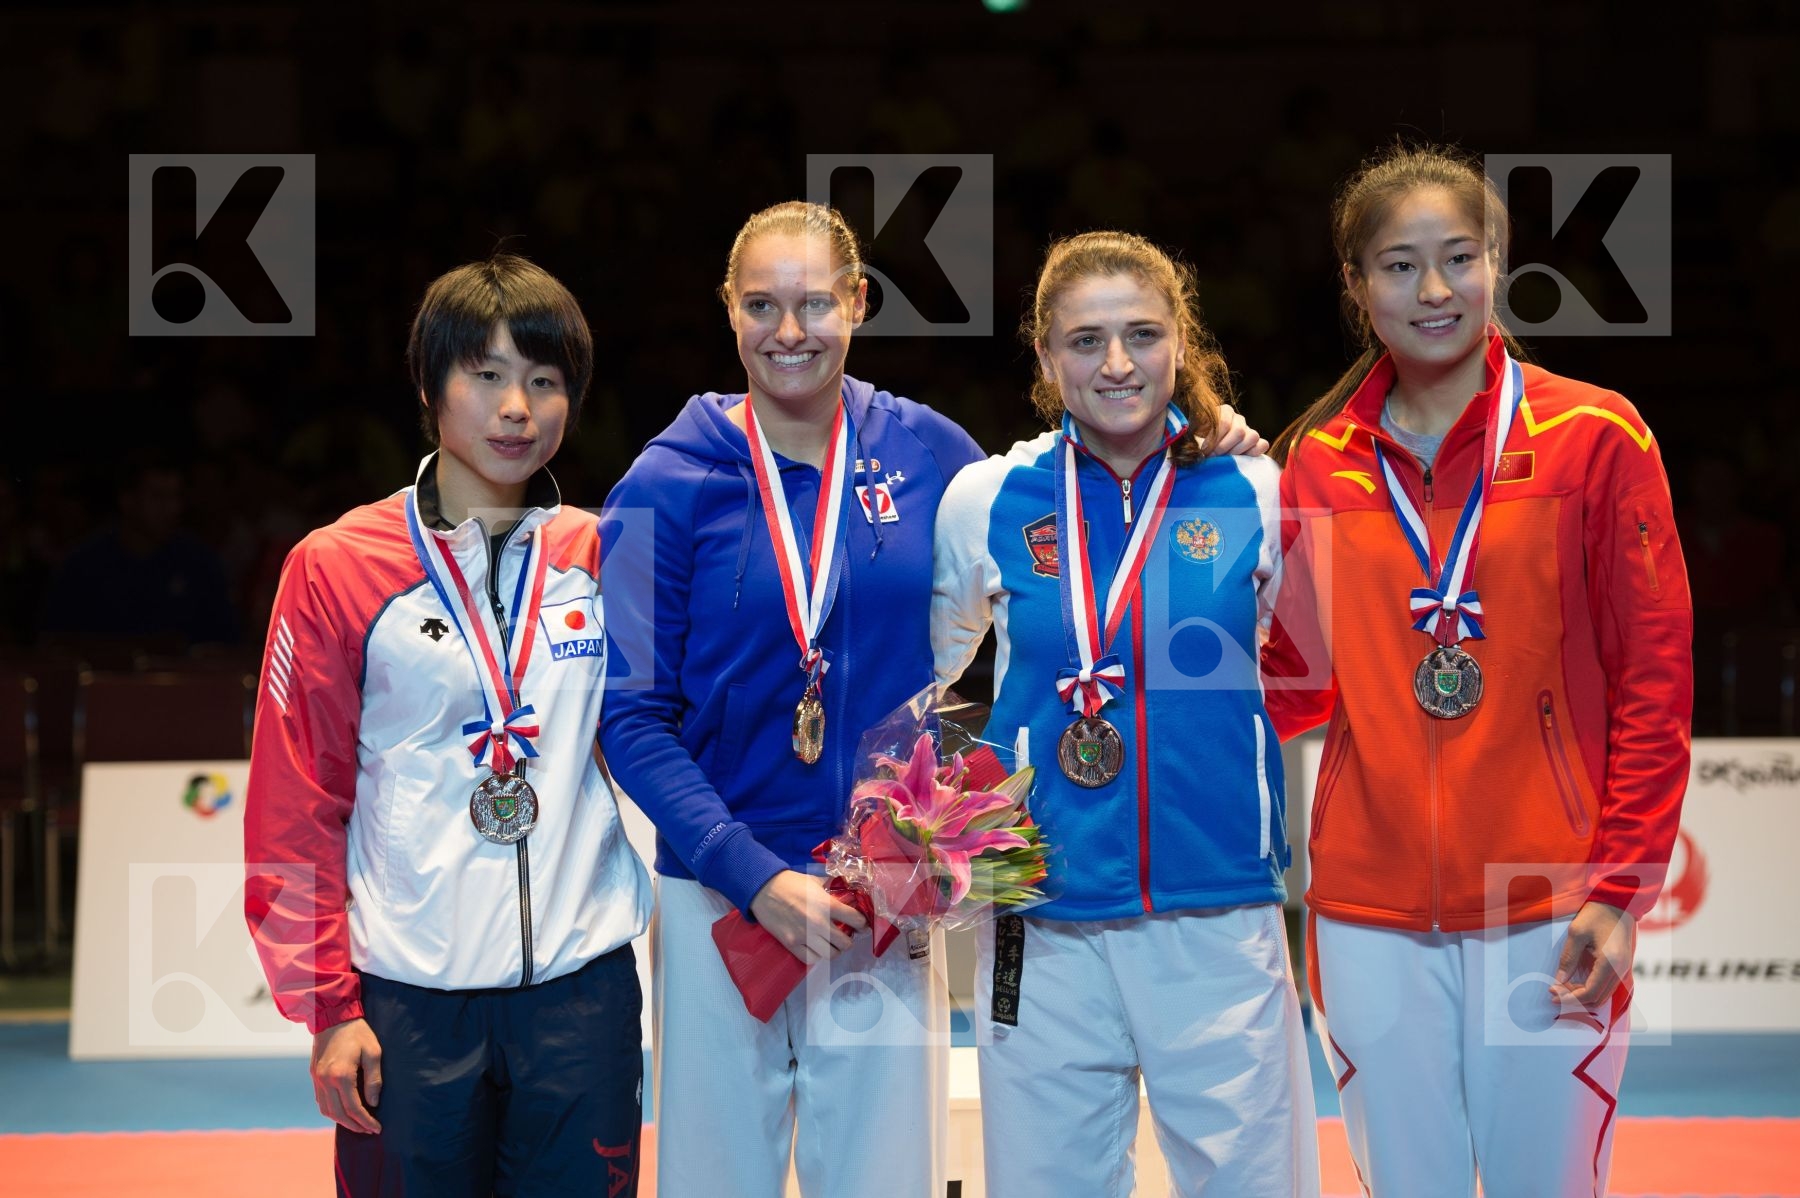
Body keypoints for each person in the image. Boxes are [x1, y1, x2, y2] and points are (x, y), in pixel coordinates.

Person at [598, 201, 1270, 1197]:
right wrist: (749, 874)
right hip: (717, 901)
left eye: (817, 301)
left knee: (884, 1183)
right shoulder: (660, 483)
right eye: (763, 305)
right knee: (714, 1180)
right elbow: (629, 717)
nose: (792, 330)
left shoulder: (936, 461)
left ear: (858, 302)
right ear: (729, 313)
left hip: (885, 897)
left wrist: (1204, 443)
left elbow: (1007, 615)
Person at [1264, 143, 1693, 1197]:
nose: (1435, 290)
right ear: (1358, 288)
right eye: (1401, 266)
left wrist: (1621, 886)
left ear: (1498, 265)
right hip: (1367, 911)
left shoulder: (1597, 435)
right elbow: (1295, 685)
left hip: (1549, 897)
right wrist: (1206, 517)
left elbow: (1655, 675)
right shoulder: (1317, 461)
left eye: (1460, 257)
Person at [244, 254, 652, 1197]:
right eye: (489, 375)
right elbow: (295, 800)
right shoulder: (336, 567)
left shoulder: (608, 553)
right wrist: (328, 1007)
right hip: (405, 1002)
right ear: (431, 386)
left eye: (546, 382)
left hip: (581, 992)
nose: (519, 408)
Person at [932, 230, 1319, 1198]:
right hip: (1040, 920)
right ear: (1044, 355)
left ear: (1179, 344)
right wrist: (932, 824)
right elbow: (916, 685)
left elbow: (1307, 676)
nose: (1116, 363)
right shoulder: (988, 497)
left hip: (1220, 913)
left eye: (1142, 335)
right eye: (1085, 339)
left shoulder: (1257, 494)